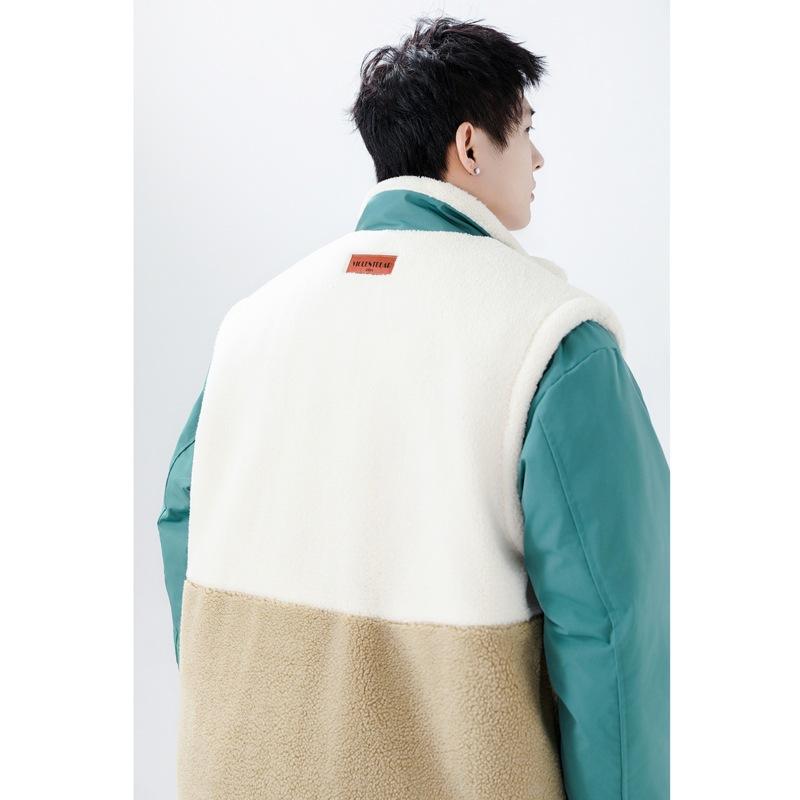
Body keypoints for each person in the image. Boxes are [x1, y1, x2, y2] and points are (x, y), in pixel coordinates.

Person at [157, 15, 668, 800]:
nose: (538, 158)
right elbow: (611, 631)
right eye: (526, 131)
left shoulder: (252, 325)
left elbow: (183, 523)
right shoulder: (554, 344)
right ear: (470, 147)